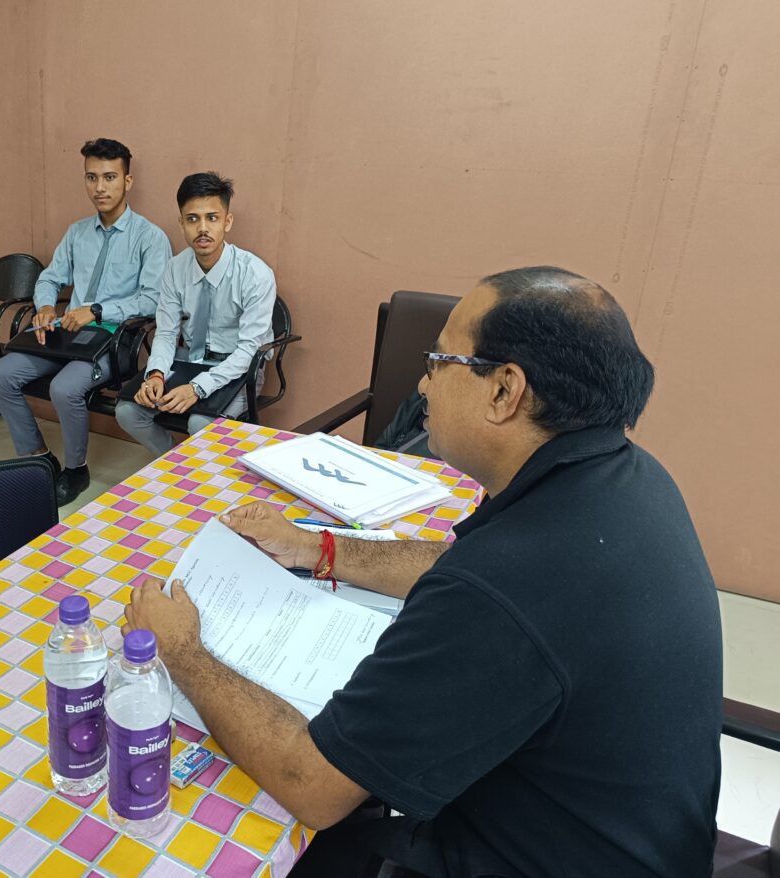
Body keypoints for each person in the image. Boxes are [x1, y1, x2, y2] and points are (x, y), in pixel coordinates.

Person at [123, 267, 722, 877]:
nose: (422, 383)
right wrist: (314, 547)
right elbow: (460, 563)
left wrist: (180, 649)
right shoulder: (622, 479)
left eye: (439, 361)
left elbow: (313, 784)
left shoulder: (503, 589)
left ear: (504, 391)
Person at [0, 138, 171, 504]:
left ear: (127, 181)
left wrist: (97, 311)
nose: (99, 187)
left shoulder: (150, 238)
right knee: (0, 375)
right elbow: (49, 279)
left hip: (112, 341)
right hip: (66, 334)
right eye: (91, 177)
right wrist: (44, 307)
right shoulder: (77, 233)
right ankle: (38, 457)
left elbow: (153, 301)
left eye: (109, 177)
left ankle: (76, 469)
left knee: (64, 388)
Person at [115, 172, 275, 453]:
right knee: (127, 411)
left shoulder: (255, 274)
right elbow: (166, 333)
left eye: (212, 218)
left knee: (201, 424)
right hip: (189, 361)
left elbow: (249, 351)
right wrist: (156, 374)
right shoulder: (175, 268)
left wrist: (197, 388)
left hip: (238, 369)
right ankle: (173, 461)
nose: (202, 228)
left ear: (227, 221)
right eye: (192, 219)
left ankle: (189, 466)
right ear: (182, 224)